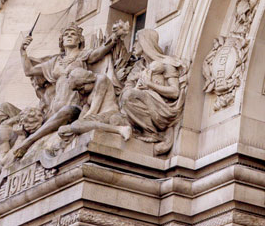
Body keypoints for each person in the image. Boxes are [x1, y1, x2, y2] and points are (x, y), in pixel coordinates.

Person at [10, 23, 122, 158]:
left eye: (73, 34)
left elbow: (98, 53)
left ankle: (29, 141)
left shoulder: (82, 55)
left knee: (67, 111)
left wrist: (115, 37)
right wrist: (22, 52)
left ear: (80, 40)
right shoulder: (55, 61)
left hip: (74, 106)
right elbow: (29, 71)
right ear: (61, 41)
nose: (69, 36)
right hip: (54, 107)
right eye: (66, 35)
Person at [119, 29, 189, 155]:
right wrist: (135, 87)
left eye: (136, 41)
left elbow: (174, 92)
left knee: (128, 96)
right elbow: (127, 88)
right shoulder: (139, 68)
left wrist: (150, 85)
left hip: (161, 109)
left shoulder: (166, 64)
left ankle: (151, 133)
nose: (133, 46)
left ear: (145, 42)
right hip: (140, 105)